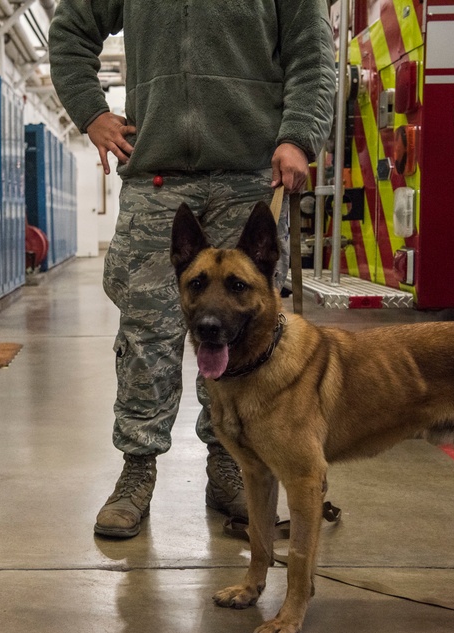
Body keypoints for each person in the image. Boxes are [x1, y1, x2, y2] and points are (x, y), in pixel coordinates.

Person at [49, 1, 336, 538]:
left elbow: (313, 54)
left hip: (247, 175)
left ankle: (229, 464)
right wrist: (91, 111)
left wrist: (299, 134)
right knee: (145, 335)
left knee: (243, 332)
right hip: (157, 178)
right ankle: (137, 471)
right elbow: (70, 31)